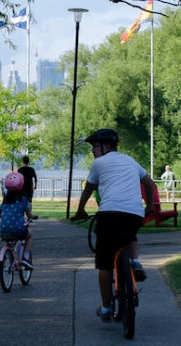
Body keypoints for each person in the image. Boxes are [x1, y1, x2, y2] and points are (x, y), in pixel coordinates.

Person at [69, 128, 155, 322]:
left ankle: (106, 308)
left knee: (105, 264)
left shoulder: (99, 163)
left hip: (109, 214)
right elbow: (149, 183)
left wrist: (80, 210)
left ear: (106, 146)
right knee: (130, 234)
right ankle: (135, 262)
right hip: (134, 213)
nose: (92, 151)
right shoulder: (131, 161)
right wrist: (149, 207)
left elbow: (88, 189)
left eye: (95, 147)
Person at [0, 172, 37, 269]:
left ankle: (6, 257)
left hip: (3, 230)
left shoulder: (5, 201)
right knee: (29, 236)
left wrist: (3, 216)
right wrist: (34, 216)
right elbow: (29, 214)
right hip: (18, 229)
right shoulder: (23, 200)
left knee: (9, 240)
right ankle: (25, 258)